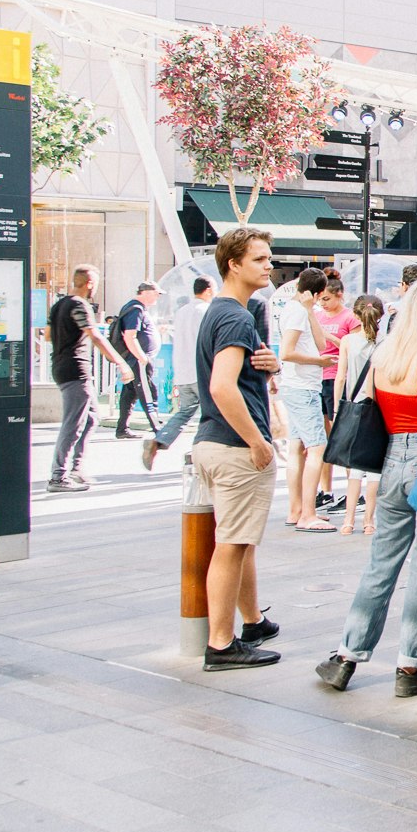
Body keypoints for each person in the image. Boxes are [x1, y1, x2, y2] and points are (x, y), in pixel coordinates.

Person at [315, 276, 417, 697]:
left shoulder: (384, 355)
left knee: (381, 564)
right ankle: (409, 665)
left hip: (390, 462)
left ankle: (348, 654)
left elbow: (365, 406)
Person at [191, 227, 286, 670]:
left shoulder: (227, 313)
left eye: (268, 258)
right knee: (232, 545)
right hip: (233, 447)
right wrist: (257, 441)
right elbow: (221, 387)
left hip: (216, 443)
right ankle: (221, 643)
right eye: (260, 259)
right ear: (234, 264)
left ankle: (249, 622)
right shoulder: (235, 317)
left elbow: (231, 380)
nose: (269, 266)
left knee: (240, 541)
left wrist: (267, 367)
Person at [46, 265, 133, 492]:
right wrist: (120, 362)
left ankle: (75, 468)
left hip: (61, 366)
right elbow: (94, 336)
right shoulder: (79, 305)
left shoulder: (58, 306)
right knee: (73, 424)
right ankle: (58, 476)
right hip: (76, 370)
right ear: (90, 284)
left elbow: (47, 335)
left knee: (92, 417)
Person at [275, 268, 340, 531]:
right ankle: (307, 514)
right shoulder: (297, 312)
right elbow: (287, 352)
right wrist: (319, 362)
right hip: (302, 387)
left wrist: (311, 310)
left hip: (297, 386)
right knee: (316, 448)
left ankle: (297, 509)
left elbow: (320, 343)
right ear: (318, 292)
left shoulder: (300, 310)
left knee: (297, 448)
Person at [143, 276, 212, 470]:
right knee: (212, 415)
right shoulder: (206, 311)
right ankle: (197, 452)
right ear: (208, 290)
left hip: (182, 371)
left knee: (184, 412)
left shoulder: (182, 312)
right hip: (202, 372)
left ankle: (159, 440)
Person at [332, 293, 385, 536]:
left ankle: (348, 520)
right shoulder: (384, 343)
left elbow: (340, 376)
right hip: (379, 409)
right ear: (380, 316)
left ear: (355, 315)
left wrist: (336, 408)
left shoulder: (347, 342)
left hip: (353, 404)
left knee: (354, 468)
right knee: (374, 467)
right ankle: (369, 521)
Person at [315, 268, 363, 516]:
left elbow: (354, 349)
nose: (323, 304)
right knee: (323, 437)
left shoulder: (349, 319)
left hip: (338, 377)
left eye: (327, 299)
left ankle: (353, 489)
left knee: (341, 435)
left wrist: (330, 339)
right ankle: (326, 490)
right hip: (319, 377)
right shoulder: (317, 316)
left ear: (340, 296)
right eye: (320, 299)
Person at [113, 281, 164, 438]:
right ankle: (157, 427)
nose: (157, 298)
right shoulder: (136, 309)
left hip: (135, 359)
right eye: (156, 294)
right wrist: (142, 358)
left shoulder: (136, 308)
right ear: (146, 292)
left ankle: (122, 428)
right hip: (138, 360)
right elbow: (130, 335)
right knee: (148, 392)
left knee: (129, 394)